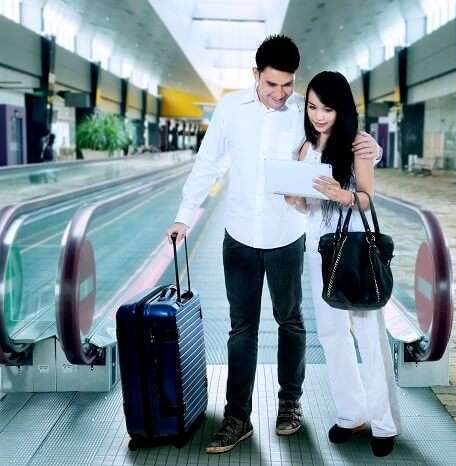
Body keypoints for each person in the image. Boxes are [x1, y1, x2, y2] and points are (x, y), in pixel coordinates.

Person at [166, 36, 380, 454]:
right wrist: (184, 217)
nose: (281, 94)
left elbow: (344, 136)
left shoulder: (305, 112)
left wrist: (373, 145)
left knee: (291, 322)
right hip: (240, 236)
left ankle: (289, 403)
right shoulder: (230, 109)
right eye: (272, 85)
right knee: (241, 328)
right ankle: (236, 417)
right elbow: (207, 164)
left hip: (287, 236)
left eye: (288, 85)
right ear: (255, 75)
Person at [286, 71, 400, 457]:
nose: (319, 115)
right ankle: (350, 414)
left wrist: (342, 194)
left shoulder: (358, 145)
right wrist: (296, 200)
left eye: (328, 108)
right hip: (319, 251)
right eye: (313, 107)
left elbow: (366, 198)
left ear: (343, 108)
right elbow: (307, 204)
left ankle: (383, 422)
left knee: (368, 335)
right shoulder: (304, 146)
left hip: (353, 249)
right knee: (332, 336)